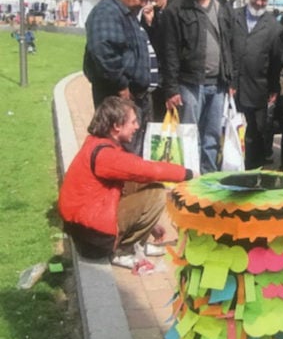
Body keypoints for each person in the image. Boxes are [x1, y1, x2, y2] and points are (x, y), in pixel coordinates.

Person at [58, 96, 193, 267]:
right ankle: (123, 250)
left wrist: (150, 226)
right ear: (116, 126)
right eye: (133, 122)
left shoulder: (97, 142)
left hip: (85, 228)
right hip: (93, 240)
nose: (137, 127)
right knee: (156, 193)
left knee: (140, 183)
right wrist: (188, 174)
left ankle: (137, 243)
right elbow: (150, 170)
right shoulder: (105, 155)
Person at [161, 0, 234, 174]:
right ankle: (189, 175)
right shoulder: (176, 10)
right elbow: (170, 52)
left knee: (212, 134)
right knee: (189, 133)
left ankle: (208, 176)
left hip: (218, 84)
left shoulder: (223, 6)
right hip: (189, 84)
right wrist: (171, 89)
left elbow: (230, 45)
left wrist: (231, 80)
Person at [83, 0, 152, 155]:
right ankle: (121, 185)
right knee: (119, 151)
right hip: (117, 97)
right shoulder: (106, 13)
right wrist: (121, 85)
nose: (143, 4)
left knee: (133, 150)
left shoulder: (126, 14)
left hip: (133, 95)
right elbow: (104, 52)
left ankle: (129, 184)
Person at [232, 0, 283, 169]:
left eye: (264, 0)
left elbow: (276, 60)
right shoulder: (232, 17)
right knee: (231, 131)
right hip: (232, 88)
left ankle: (253, 172)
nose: (260, 3)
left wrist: (273, 88)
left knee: (255, 134)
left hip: (257, 89)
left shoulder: (273, 26)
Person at [141, 0, 176, 122]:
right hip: (157, 77)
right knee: (157, 119)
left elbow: (170, 42)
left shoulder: (176, 9)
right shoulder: (147, 13)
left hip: (175, 76)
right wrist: (149, 23)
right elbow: (149, 45)